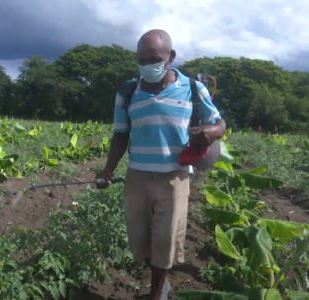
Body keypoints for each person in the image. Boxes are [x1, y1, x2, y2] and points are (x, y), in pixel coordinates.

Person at [96, 30, 226, 300]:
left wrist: (213, 133)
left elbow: (219, 122)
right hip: (137, 178)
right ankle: (160, 284)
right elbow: (120, 135)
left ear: (171, 57)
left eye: (154, 59)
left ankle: (156, 294)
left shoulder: (192, 88)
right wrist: (108, 170)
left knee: (165, 242)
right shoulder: (127, 92)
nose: (148, 65)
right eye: (142, 60)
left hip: (174, 178)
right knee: (142, 240)